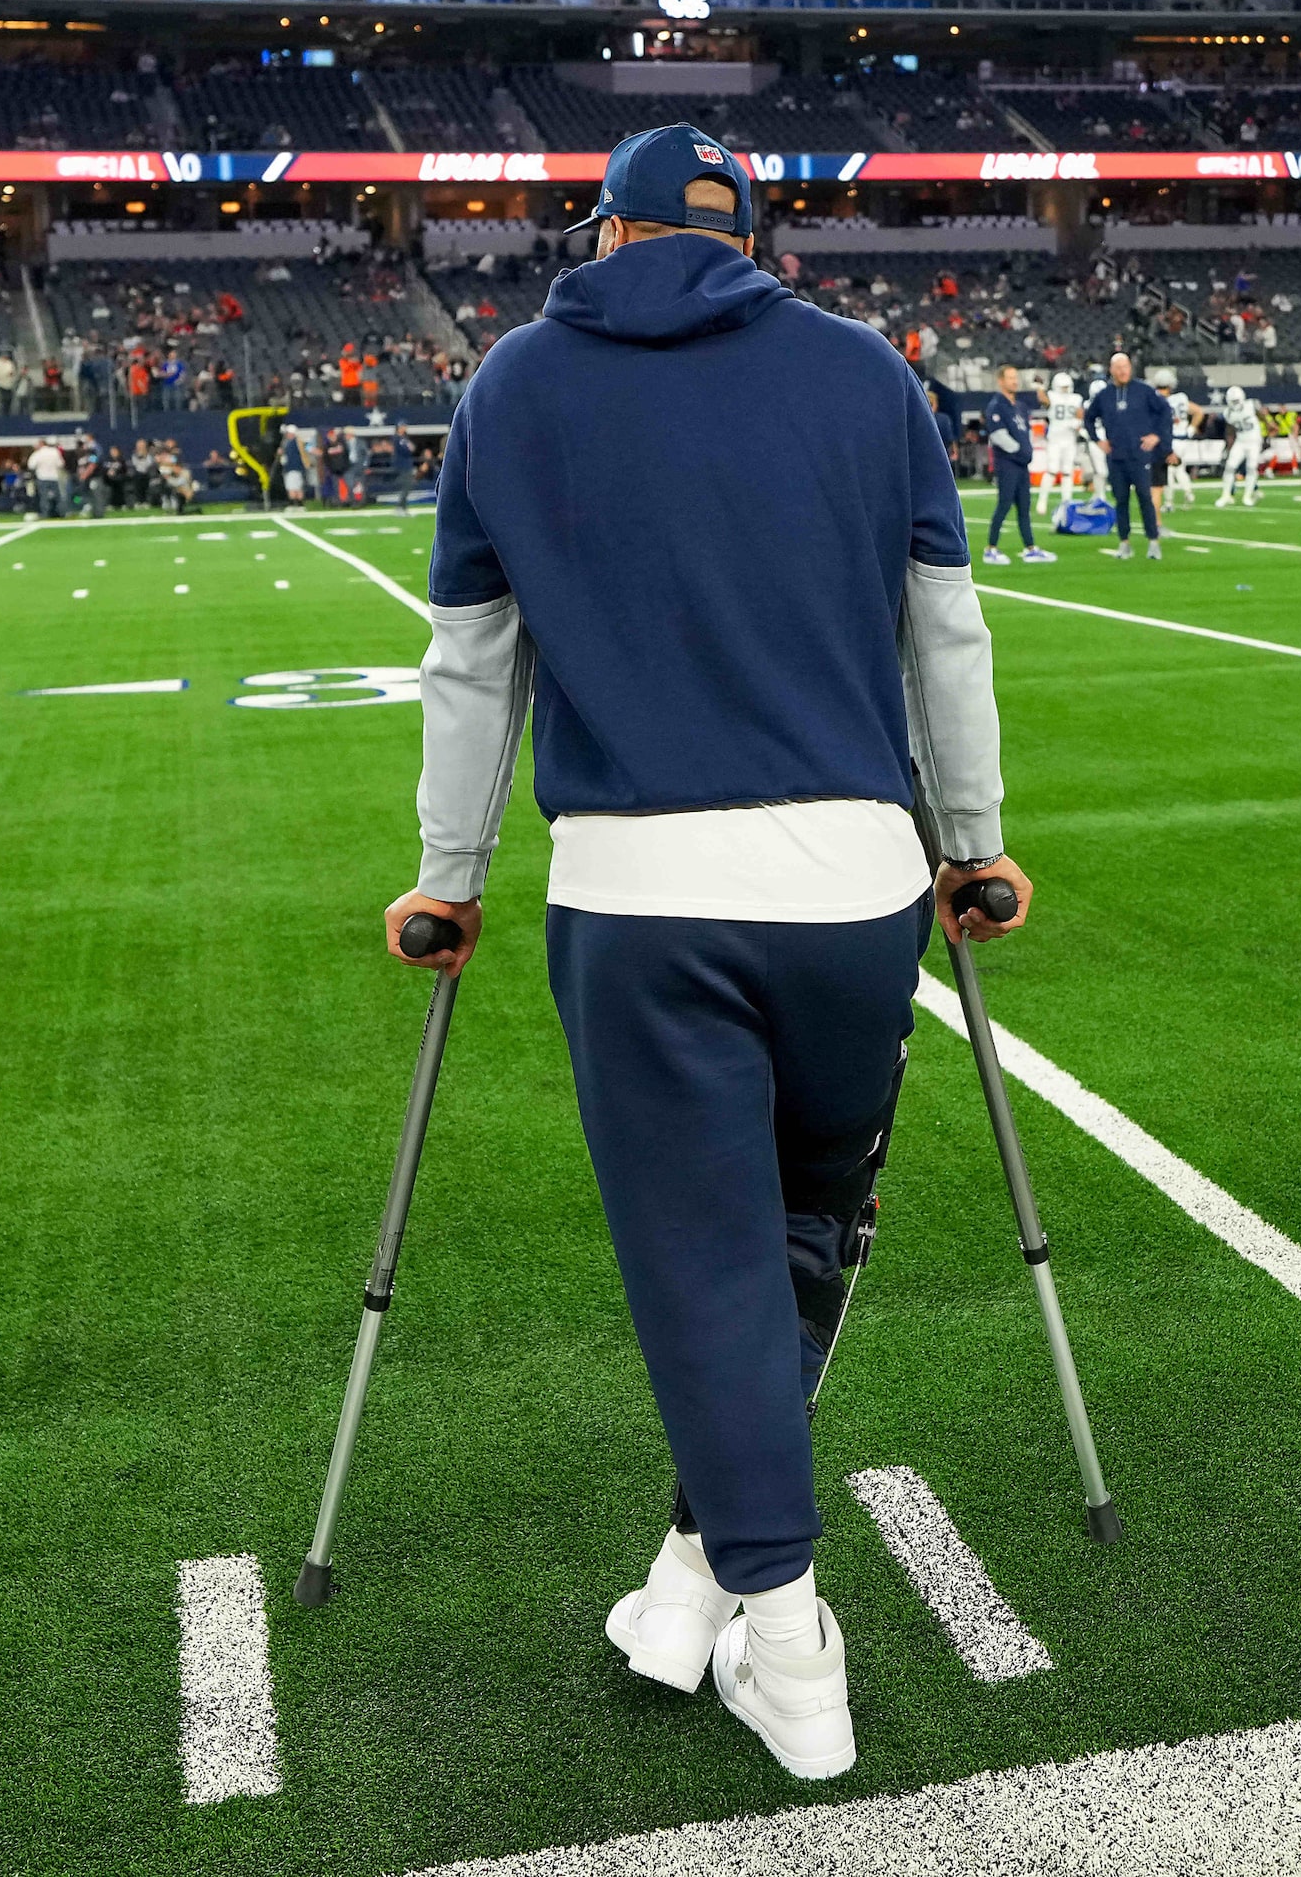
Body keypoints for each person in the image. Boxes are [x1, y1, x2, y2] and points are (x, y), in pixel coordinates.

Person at [384, 122, 1024, 1786]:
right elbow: (939, 626)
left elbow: (472, 660)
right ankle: (686, 1579)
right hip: (854, 886)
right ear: (750, 236)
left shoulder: (513, 385)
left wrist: (448, 875)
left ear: (603, 231)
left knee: (709, 1265)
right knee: (811, 1226)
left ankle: (790, 1644)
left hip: (642, 893)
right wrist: (971, 839)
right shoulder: (868, 373)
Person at [1084, 351, 1170, 560]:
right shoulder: (1104, 395)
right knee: (1121, 500)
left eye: (1125, 366)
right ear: (1111, 370)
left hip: (1140, 456)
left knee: (1145, 499)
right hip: (1116, 457)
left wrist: (1157, 436)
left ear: (1130, 368)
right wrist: (1098, 439)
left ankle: (1153, 541)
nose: (1122, 371)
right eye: (1118, 367)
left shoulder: (1144, 391)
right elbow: (1088, 418)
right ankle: (1124, 542)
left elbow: (1165, 411)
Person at [980, 365, 1052, 565]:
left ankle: (1030, 547)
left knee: (1024, 506)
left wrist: (1027, 451)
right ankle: (991, 548)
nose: (1014, 381)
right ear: (1000, 381)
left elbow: (1027, 432)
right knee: (1004, 504)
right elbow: (998, 436)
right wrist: (1020, 450)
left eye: (1015, 377)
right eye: (1010, 378)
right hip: (1007, 463)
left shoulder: (1020, 406)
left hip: (1021, 464)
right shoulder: (996, 405)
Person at [1036, 369, 1087, 516]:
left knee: (1067, 472)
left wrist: (1077, 423)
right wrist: (1039, 388)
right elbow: (1044, 400)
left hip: (1069, 438)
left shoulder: (1076, 398)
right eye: (1062, 387)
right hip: (1055, 438)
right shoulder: (1052, 396)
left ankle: (1067, 502)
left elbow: (1079, 414)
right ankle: (1042, 500)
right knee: (1051, 470)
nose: (1065, 390)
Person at [1149, 365, 1197, 507]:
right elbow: (1199, 411)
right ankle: (1188, 492)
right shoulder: (1181, 398)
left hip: (1169, 439)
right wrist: (1191, 429)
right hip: (1183, 438)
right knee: (1179, 469)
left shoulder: (1159, 401)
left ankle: (1169, 502)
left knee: (1168, 471)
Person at [1214, 383, 1263, 507]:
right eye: (1233, 401)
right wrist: (1229, 446)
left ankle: (1248, 496)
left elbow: (1263, 417)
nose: (1235, 403)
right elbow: (1230, 431)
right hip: (1240, 442)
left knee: (1251, 468)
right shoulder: (1227, 413)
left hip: (1254, 441)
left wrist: (1270, 426)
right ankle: (1226, 495)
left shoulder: (1251, 405)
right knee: (1230, 467)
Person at [28, 436, 69, 520]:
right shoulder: (55, 452)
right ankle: (62, 513)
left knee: (44, 497)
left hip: (42, 477)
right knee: (58, 497)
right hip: (54, 477)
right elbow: (61, 464)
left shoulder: (38, 453)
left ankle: (45, 514)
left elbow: (31, 465)